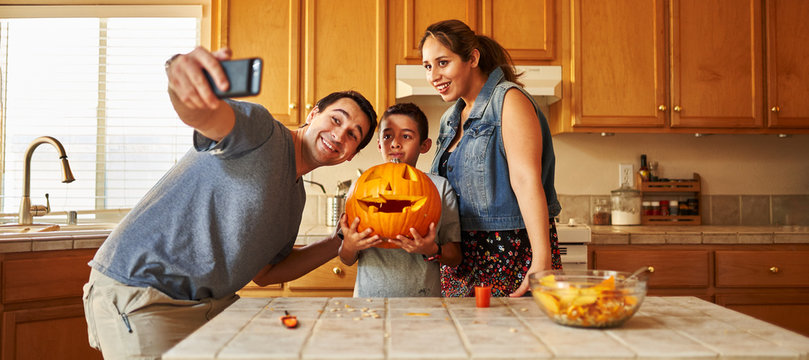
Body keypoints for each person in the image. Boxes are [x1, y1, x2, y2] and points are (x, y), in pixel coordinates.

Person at [82, 46, 377, 360]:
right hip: (145, 293)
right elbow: (207, 116)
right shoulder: (261, 132)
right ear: (313, 113)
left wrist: (340, 241)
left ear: (351, 154)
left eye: (352, 135)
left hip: (209, 306)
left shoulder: (295, 197)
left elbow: (266, 272)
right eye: (335, 119)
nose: (339, 134)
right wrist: (184, 81)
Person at [419, 19, 563, 298]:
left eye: (443, 62)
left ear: (472, 58)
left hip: (509, 253)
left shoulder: (508, 100)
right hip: (460, 260)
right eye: (427, 66)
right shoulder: (451, 117)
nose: (433, 75)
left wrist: (541, 261)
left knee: (515, 339)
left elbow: (525, 180)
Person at [338, 103, 461, 297]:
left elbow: (455, 256)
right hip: (369, 305)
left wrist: (432, 250)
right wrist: (350, 246)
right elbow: (345, 258)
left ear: (424, 145)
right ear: (379, 144)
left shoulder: (440, 187)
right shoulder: (360, 187)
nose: (395, 143)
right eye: (387, 136)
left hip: (425, 304)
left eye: (406, 136)